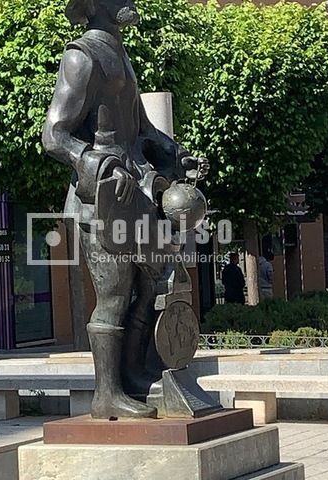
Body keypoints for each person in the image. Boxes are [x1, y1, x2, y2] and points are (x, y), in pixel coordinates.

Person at [42, 0, 209, 419]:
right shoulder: (82, 55)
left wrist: (177, 154)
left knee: (153, 286)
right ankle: (107, 394)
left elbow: (144, 131)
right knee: (114, 296)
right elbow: (54, 135)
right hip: (102, 200)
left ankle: (135, 375)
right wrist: (99, 164)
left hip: (139, 193)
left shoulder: (118, 53)